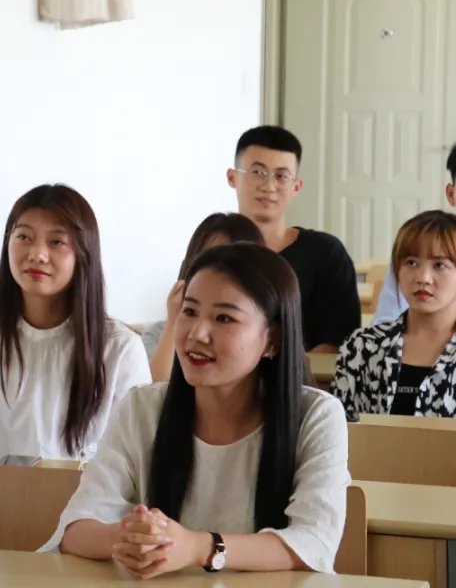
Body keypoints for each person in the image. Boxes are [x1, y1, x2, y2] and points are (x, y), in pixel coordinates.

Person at [39, 243, 350, 576]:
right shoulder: (142, 408)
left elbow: (314, 542)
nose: (197, 333)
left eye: (224, 318)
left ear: (272, 339)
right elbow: (75, 529)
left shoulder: (316, 416)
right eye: (189, 311)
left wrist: (199, 547)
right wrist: (132, 538)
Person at [0, 185, 150, 461]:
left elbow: (132, 461)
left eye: (56, 242)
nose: (37, 254)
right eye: (24, 237)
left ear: (84, 253)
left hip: (89, 491)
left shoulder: (120, 348)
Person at [228, 126, 360, 353]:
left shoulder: (326, 254)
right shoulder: (212, 247)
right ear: (232, 178)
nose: (269, 186)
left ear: (296, 187)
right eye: (257, 172)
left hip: (303, 375)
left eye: (281, 176)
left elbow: (338, 341)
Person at [333, 211, 456, 419]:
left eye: (439, 265)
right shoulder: (362, 347)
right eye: (411, 262)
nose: (423, 278)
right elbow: (340, 429)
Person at [145, 213, 263, 381]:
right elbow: (154, 390)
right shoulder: (158, 333)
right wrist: (173, 323)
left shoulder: (262, 336)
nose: (199, 335)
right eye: (205, 260)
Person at [372, 145, 456, 325]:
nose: (424, 277)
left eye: (439, 265)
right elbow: (385, 324)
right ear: (451, 194)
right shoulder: (419, 253)